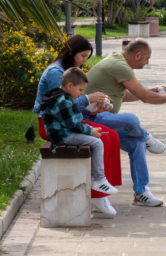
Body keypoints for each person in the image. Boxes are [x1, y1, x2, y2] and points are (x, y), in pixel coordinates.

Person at [86, 39, 166, 207]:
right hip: (90, 120)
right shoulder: (120, 66)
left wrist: (152, 90)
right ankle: (147, 137)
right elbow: (145, 98)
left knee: (136, 144)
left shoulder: (117, 61)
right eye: (147, 58)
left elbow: (124, 96)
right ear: (138, 55)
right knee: (131, 120)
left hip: (104, 122)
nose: (147, 62)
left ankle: (141, 192)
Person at [33, 34, 121, 217]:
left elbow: (72, 108)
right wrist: (88, 99)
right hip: (55, 127)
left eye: (87, 57)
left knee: (111, 136)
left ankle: (102, 190)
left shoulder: (68, 71)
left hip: (65, 123)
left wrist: (93, 108)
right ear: (71, 53)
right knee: (103, 138)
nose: (83, 62)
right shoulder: (56, 72)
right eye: (82, 56)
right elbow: (65, 106)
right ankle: (98, 192)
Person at [41, 67, 118, 198]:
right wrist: (90, 131)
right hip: (62, 136)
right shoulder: (63, 101)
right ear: (70, 85)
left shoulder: (60, 97)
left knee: (96, 139)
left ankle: (95, 177)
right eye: (80, 90)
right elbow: (72, 124)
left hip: (62, 133)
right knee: (97, 143)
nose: (81, 94)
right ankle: (99, 179)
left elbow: (75, 120)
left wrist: (90, 127)